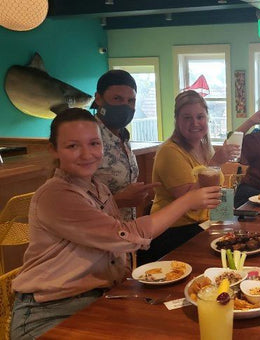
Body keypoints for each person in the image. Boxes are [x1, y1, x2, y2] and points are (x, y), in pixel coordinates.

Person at [10, 108, 221, 339]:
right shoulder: (55, 194)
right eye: (73, 146)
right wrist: (186, 201)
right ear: (54, 150)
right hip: (50, 311)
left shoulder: (98, 188)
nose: (87, 154)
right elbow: (124, 236)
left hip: (101, 299)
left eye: (94, 144)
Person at [142, 90, 238, 265]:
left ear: (207, 118)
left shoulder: (204, 147)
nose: (195, 123)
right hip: (174, 232)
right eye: (187, 118)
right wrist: (215, 164)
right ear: (177, 121)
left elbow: (216, 193)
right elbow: (191, 203)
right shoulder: (169, 152)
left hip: (203, 226)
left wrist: (227, 221)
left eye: (200, 117)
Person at [92, 69, 159, 221]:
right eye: (117, 99)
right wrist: (120, 201)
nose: (125, 106)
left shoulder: (122, 136)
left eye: (131, 101)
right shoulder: (88, 138)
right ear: (98, 98)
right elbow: (75, 209)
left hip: (126, 234)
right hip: (98, 237)